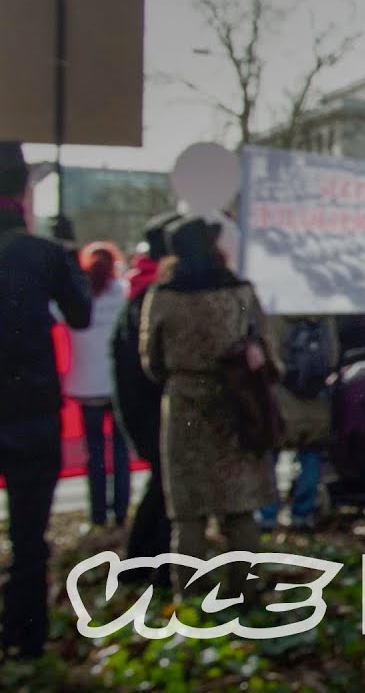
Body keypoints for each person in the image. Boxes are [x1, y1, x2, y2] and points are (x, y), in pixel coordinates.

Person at [140, 216, 278, 595]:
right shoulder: (241, 292)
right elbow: (268, 351)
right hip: (238, 402)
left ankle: (191, 598)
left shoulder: (163, 296)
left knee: (188, 510)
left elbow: (150, 361)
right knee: (240, 506)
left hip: (184, 404)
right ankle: (245, 591)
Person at [0, 141, 92, 658]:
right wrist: (68, 253)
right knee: (30, 538)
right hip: (31, 412)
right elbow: (79, 314)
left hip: (29, 409)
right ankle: (25, 640)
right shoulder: (42, 254)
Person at [113, 213, 183, 582]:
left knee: (161, 486)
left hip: (141, 405)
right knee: (163, 488)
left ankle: (144, 565)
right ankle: (142, 567)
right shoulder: (154, 296)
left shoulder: (143, 290)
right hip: (153, 408)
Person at [65, 241, 132, 527]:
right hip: (116, 385)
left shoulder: (78, 295)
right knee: (120, 452)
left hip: (85, 385)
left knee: (93, 453)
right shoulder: (122, 293)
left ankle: (97, 515)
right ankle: (120, 512)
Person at [257, 314, 339, 531]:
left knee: (271, 455)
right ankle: (302, 513)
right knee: (311, 455)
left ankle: (268, 514)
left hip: (281, 401)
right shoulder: (323, 317)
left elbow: (271, 358)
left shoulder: (276, 315)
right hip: (316, 402)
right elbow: (332, 357)